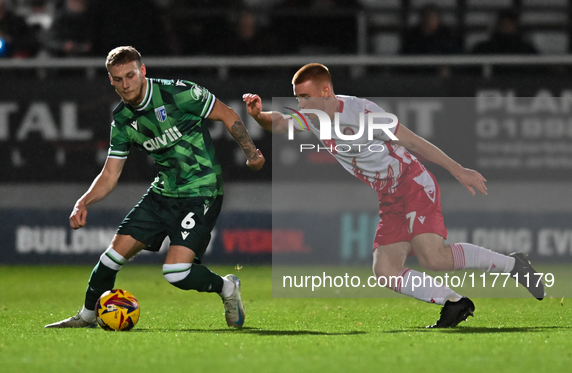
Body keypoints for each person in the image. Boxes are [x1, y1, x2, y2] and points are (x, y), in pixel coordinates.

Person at [242, 63, 544, 328]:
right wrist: (258, 115)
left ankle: (513, 266)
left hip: (412, 183)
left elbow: (413, 143)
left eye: (305, 96)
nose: (301, 103)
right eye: (298, 98)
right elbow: (280, 123)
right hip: (389, 197)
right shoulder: (314, 116)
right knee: (385, 270)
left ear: (325, 91)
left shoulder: (364, 112)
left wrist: (457, 169)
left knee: (434, 258)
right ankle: (453, 302)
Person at [46, 46, 264, 329]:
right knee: (111, 258)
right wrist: (84, 201)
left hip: (201, 189)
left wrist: (253, 155)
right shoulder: (122, 120)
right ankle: (88, 316)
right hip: (162, 192)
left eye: (130, 75)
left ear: (143, 71)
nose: (125, 84)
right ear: (110, 80)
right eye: (117, 79)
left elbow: (228, 114)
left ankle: (227, 289)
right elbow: (110, 174)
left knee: (175, 272)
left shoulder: (178, 93)